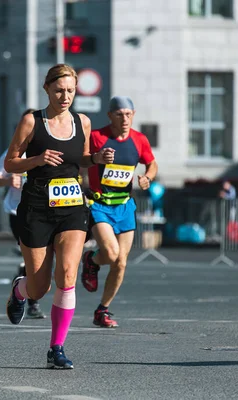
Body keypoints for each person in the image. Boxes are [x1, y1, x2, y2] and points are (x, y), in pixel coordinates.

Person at [3, 64, 114, 369]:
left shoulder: (83, 122)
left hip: (72, 207)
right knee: (41, 287)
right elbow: (11, 164)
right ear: (47, 89)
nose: (65, 96)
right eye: (59, 90)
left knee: (66, 275)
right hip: (36, 207)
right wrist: (37, 159)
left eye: (70, 90)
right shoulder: (31, 121)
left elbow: (82, 159)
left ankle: (57, 348)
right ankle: (20, 290)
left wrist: (98, 159)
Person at [81, 96, 157, 328]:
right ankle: (91, 259)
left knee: (121, 263)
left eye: (128, 114)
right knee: (112, 254)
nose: (124, 118)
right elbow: (81, 161)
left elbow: (151, 163)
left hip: (124, 205)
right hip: (99, 204)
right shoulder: (96, 137)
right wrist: (96, 158)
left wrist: (147, 178)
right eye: (119, 114)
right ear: (110, 115)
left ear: (133, 114)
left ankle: (102, 310)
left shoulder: (139, 139)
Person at [0, 108, 45, 319]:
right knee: (30, 256)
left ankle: (21, 288)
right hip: (17, 211)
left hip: (42, 211)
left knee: (41, 260)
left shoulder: (47, 151)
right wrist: (7, 180)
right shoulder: (13, 152)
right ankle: (31, 301)